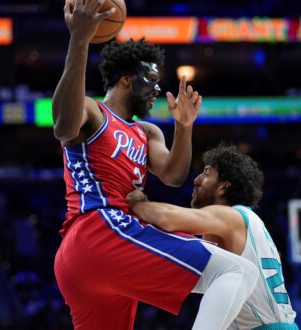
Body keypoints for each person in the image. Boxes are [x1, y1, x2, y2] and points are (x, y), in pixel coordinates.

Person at [52, 0, 258, 329]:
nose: (157, 89)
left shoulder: (146, 132)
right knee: (236, 270)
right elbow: (62, 127)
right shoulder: (93, 111)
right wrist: (79, 39)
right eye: (151, 79)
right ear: (125, 80)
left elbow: (174, 176)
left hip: (84, 259)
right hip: (102, 229)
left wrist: (184, 127)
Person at [127, 144, 299, 330]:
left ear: (224, 187)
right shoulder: (248, 225)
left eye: (207, 174)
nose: (197, 179)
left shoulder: (232, 216)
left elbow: (166, 218)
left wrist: (138, 204)